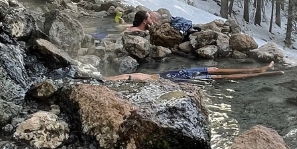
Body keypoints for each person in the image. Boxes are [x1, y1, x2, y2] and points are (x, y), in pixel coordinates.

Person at [105, 62, 280, 82]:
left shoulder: (136, 78)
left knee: (216, 70)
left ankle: (261, 69)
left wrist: (104, 79)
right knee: (219, 75)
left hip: (178, 73)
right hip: (178, 77)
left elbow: (123, 77)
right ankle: (262, 72)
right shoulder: (145, 80)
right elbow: (123, 77)